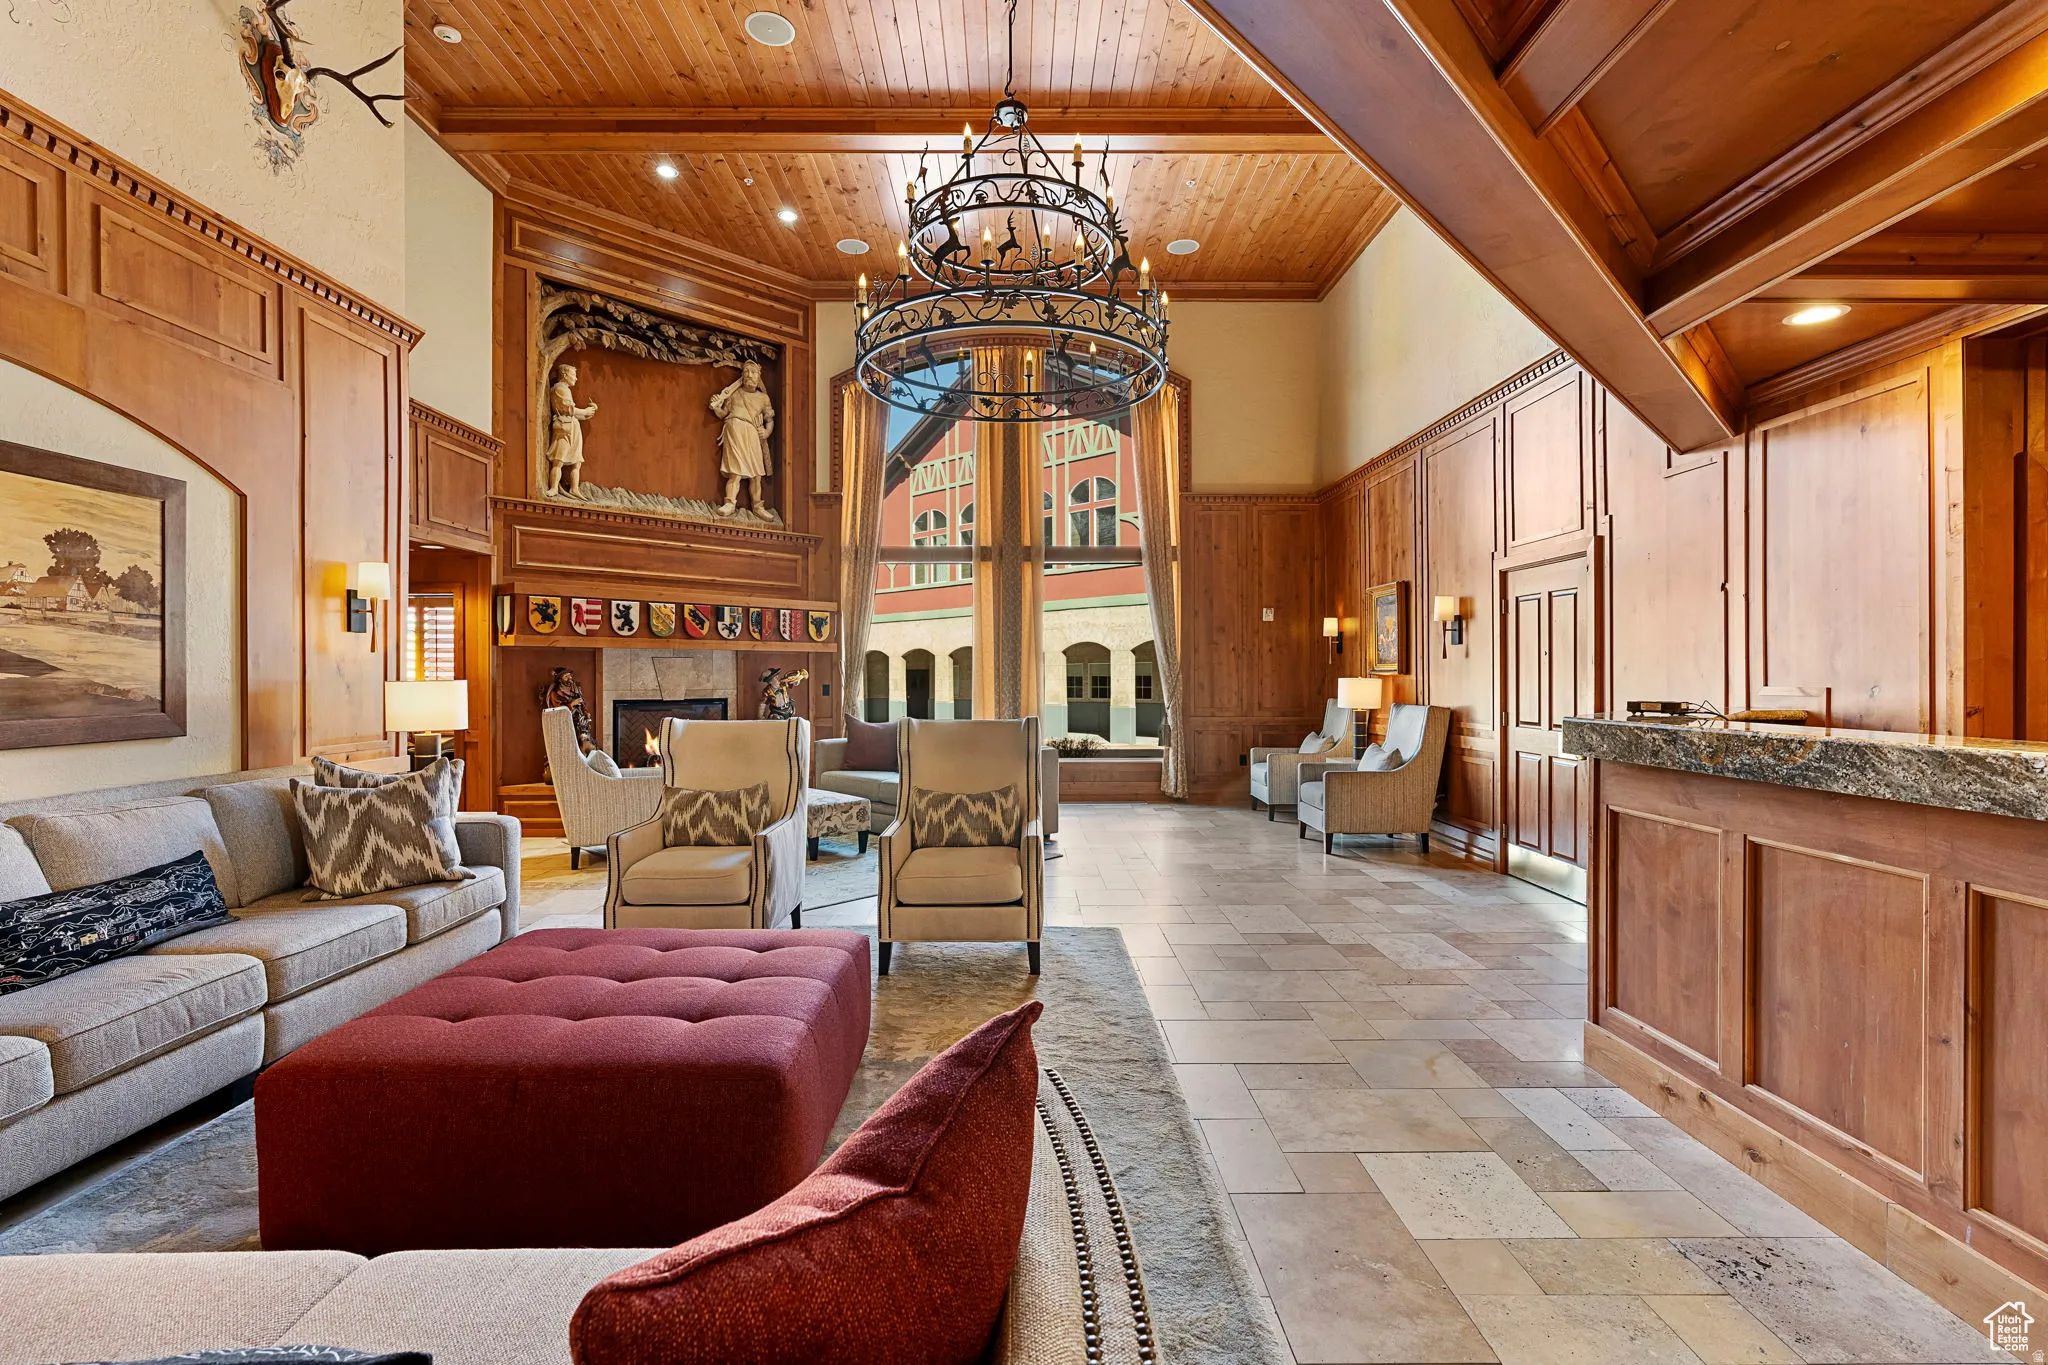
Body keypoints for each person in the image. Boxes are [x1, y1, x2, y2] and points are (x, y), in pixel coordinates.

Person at [710, 359, 775, 516]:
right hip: (735, 431)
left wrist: (766, 432)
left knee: (756, 474)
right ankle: (730, 503)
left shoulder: (763, 398)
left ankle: (758, 507)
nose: (749, 375)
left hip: (752, 433)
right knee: (735, 472)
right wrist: (716, 407)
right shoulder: (734, 393)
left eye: (753, 372)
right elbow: (723, 414)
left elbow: (769, 419)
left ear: (758, 376)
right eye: (746, 372)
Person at [544, 363, 597, 497]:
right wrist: (585, 411)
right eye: (574, 375)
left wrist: (587, 413)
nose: (576, 378)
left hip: (572, 425)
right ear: (565, 375)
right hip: (565, 426)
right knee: (558, 459)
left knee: (577, 461)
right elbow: (569, 410)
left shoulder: (565, 389)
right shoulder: (560, 388)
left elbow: (573, 412)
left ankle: (574, 489)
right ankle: (554, 488)